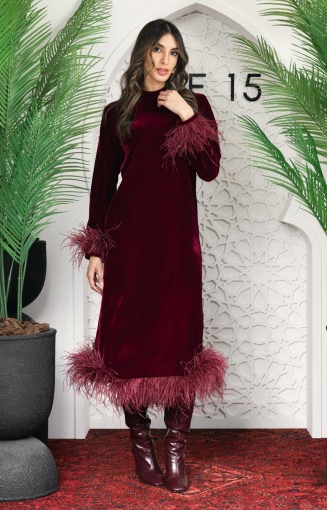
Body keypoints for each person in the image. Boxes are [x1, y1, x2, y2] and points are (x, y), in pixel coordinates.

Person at [64, 19, 228, 494]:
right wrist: (96, 251)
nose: (164, 60)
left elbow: (210, 170)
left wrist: (186, 114)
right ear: (142, 53)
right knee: (127, 345)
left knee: (182, 344)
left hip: (178, 246)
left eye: (173, 53)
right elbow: (102, 183)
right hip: (129, 244)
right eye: (157, 50)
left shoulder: (195, 106)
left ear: (180, 61)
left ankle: (175, 449)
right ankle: (141, 445)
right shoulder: (117, 113)